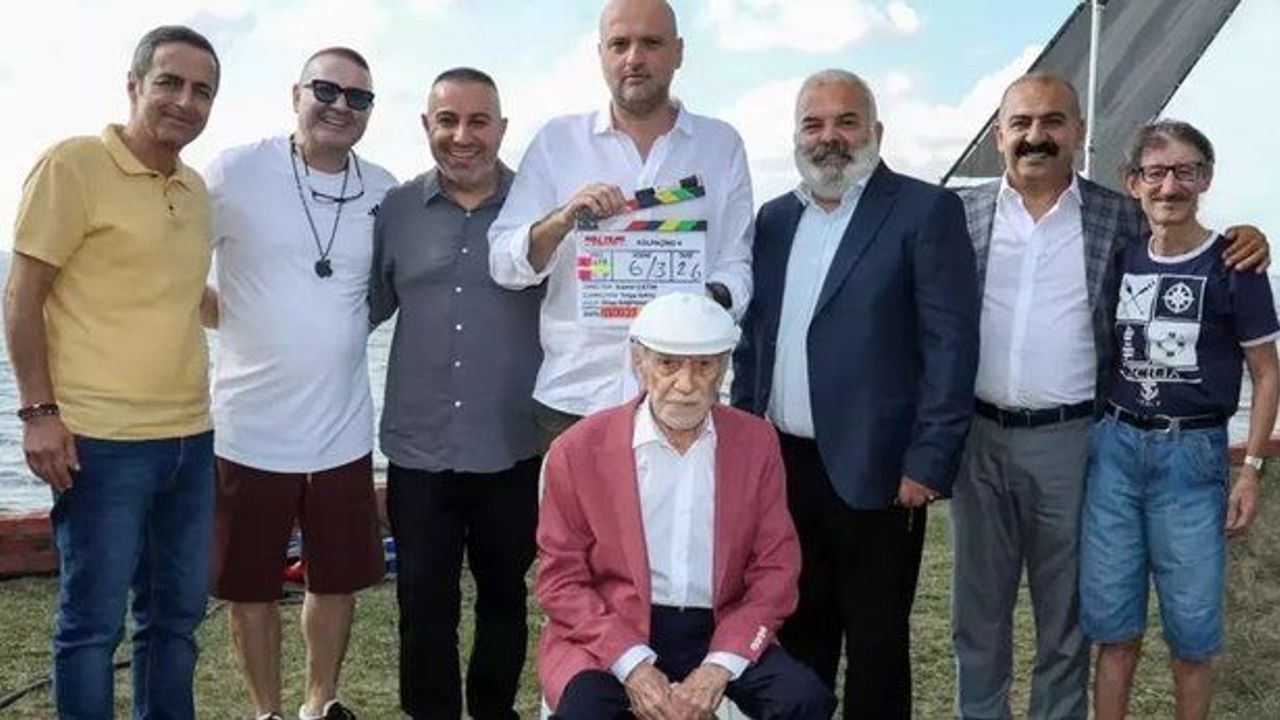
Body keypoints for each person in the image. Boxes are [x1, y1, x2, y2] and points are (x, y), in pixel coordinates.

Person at [950, 73, 1268, 720]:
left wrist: (1248, 236)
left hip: (1073, 440)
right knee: (977, 613)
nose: (1036, 136)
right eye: (1021, 123)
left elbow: (1184, 234)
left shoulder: (1117, 214)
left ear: (1079, 132)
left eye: (1053, 121)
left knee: (1066, 619)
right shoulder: (957, 213)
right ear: (998, 135)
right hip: (977, 438)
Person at [731, 70, 979, 718]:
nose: (829, 137)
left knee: (876, 646)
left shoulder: (925, 211)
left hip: (881, 470)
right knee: (794, 635)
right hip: (784, 467)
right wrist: (743, 440)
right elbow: (755, 338)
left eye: (846, 121)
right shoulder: (775, 219)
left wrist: (928, 460)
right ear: (796, 136)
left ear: (876, 131)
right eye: (813, 124)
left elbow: (951, 346)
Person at [4, 25, 220, 719]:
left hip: (190, 439)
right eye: (170, 82)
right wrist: (39, 414)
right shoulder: (73, 165)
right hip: (99, 442)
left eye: (202, 91)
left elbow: (186, 293)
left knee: (176, 620)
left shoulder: (194, 190)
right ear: (133, 85)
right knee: (92, 628)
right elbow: (22, 295)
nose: (185, 101)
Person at [203, 47, 396, 720]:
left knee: (336, 578)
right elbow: (174, 272)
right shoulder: (235, 172)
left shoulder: (384, 190)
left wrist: (333, 327)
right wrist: (242, 321)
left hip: (343, 426)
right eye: (327, 90)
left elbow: (387, 290)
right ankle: (267, 712)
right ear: (296, 94)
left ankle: (320, 702)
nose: (341, 106)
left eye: (358, 98)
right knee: (250, 586)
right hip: (248, 425)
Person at [537, 292, 834, 719]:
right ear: (639, 361)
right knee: (584, 711)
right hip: (613, 625)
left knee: (804, 700)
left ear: (724, 368)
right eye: (668, 364)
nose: (686, 384)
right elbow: (561, 581)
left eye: (704, 366)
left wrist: (720, 665)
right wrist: (633, 665)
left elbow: (775, 569)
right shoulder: (580, 449)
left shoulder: (756, 442)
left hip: (720, 624)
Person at [1081, 120, 1278, 720]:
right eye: (1157, 173)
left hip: (1191, 461)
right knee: (1114, 630)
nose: (1170, 186)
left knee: (1193, 636)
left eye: (1185, 171)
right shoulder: (1121, 259)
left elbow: (1267, 373)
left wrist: (1251, 469)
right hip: (1115, 453)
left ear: (1205, 179)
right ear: (1133, 182)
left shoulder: (1236, 266)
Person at [488, 0, 753, 446]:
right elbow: (503, 263)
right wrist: (561, 220)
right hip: (575, 396)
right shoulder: (557, 141)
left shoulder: (721, 145)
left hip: (683, 397)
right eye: (619, 44)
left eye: (651, 43)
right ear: (600, 54)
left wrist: (699, 299)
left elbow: (736, 265)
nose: (634, 57)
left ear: (679, 52)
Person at [369, 67, 543, 720]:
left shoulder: (538, 209)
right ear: (427, 125)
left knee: (505, 596)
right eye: (447, 120)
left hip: (513, 444)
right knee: (422, 601)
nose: (462, 135)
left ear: (502, 128)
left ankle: (495, 711)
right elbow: (360, 311)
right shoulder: (396, 211)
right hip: (420, 449)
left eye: (478, 121)